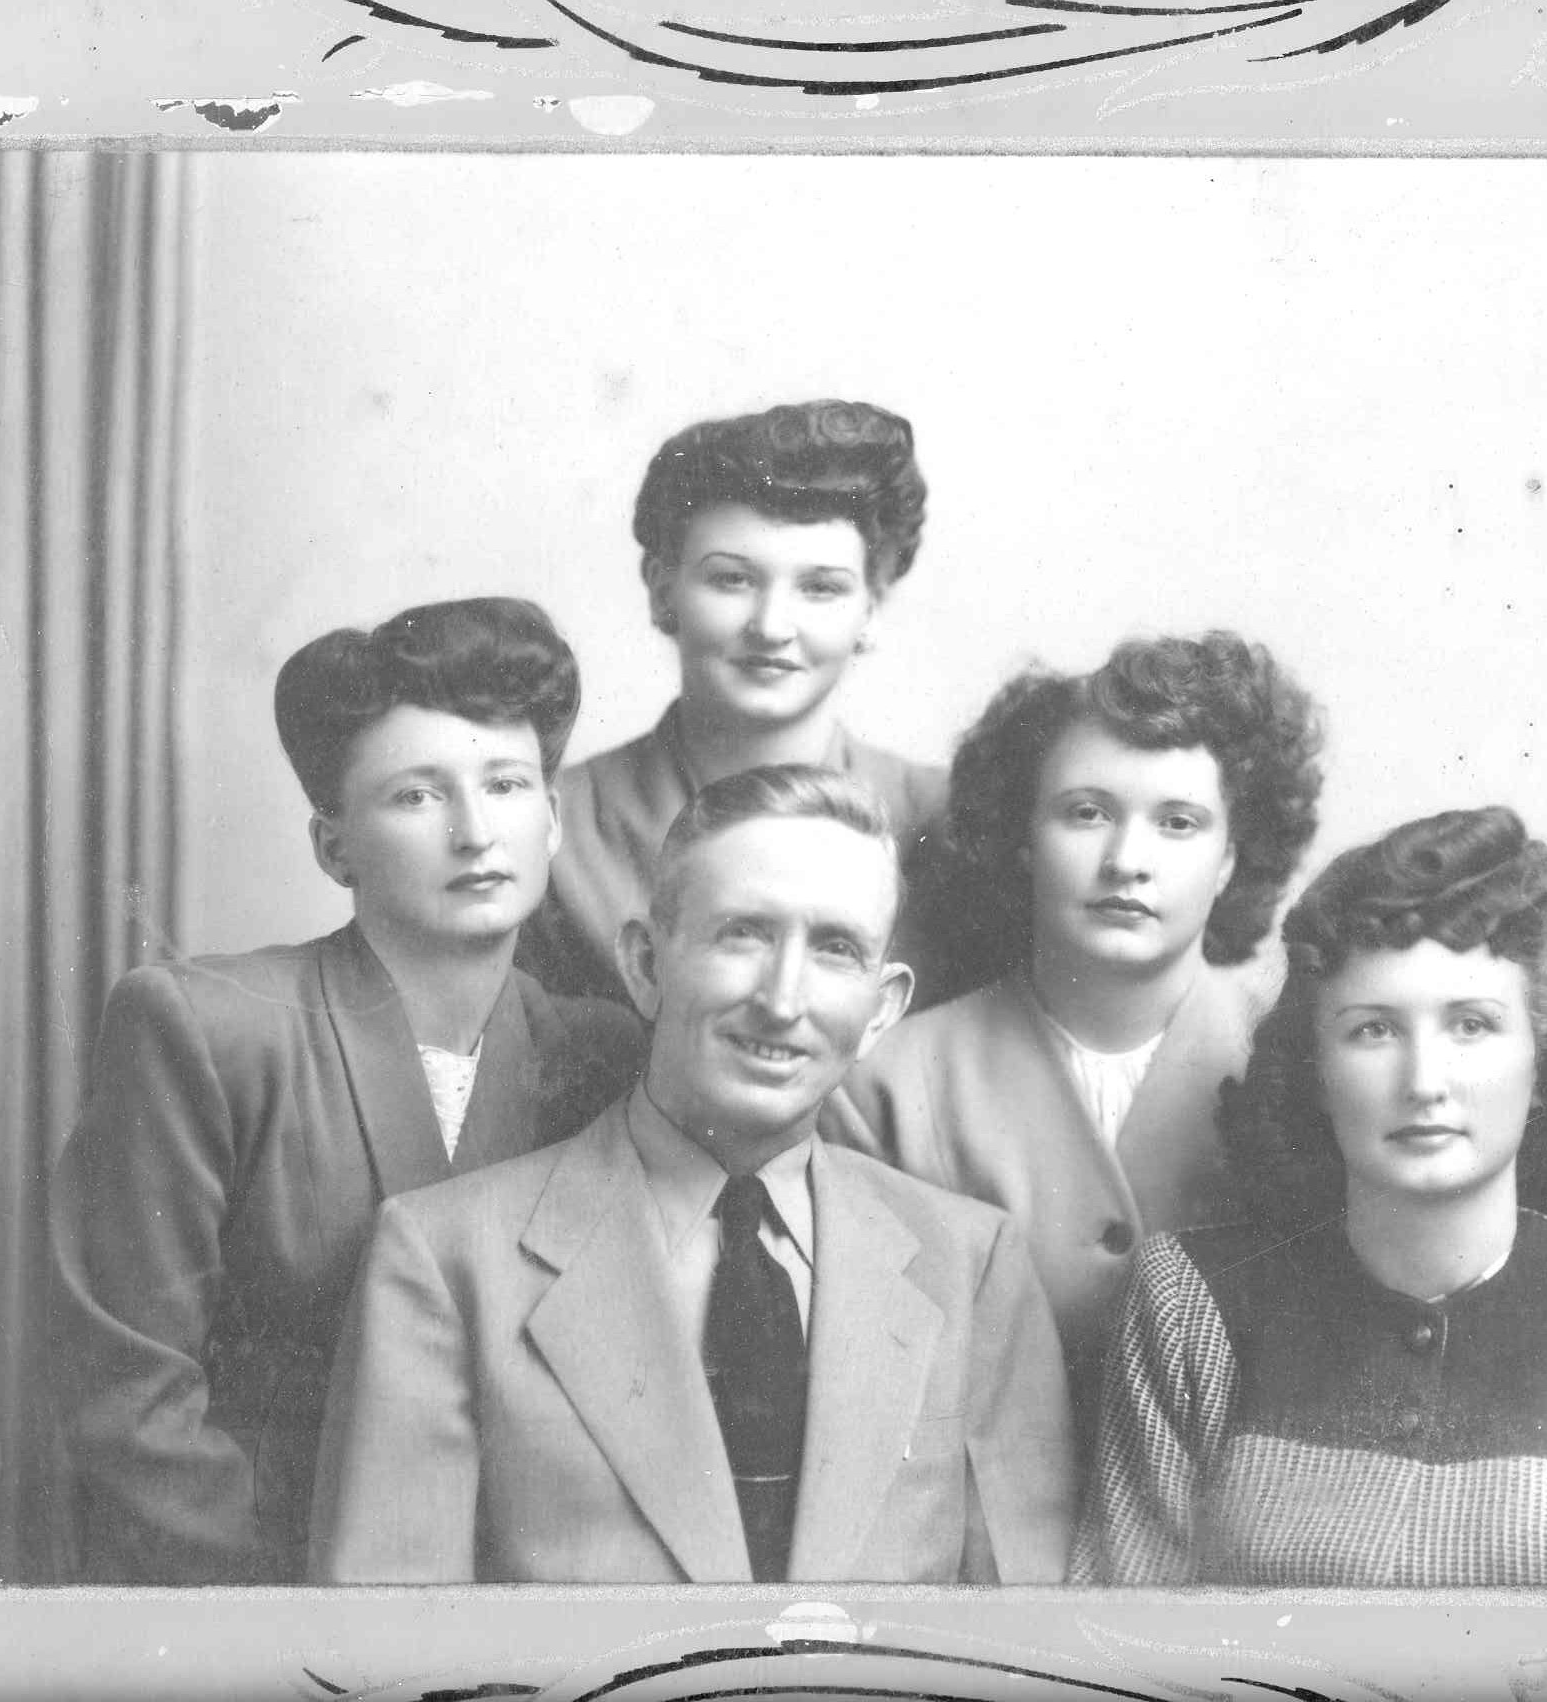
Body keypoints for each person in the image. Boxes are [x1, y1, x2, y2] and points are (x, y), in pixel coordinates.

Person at [309, 766, 1075, 1584]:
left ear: (881, 1010)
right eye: (742, 934)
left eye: (835, 949)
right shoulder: (446, 1259)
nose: (782, 1000)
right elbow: (391, 1644)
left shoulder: (972, 1266)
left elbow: (1028, 1639)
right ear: (645, 965)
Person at [48, 598, 643, 1585]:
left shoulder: (601, 1054)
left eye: (505, 784)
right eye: (415, 796)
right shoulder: (206, 1028)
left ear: (552, 818)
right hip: (274, 1587)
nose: (473, 831)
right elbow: (130, 1405)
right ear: (334, 847)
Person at [1071, 806, 1547, 1588]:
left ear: (1544, 1062)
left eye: (1472, 1026)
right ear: (1315, 1073)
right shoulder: (1187, 1301)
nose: (1425, 1082)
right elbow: (1114, 1635)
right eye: (1374, 1031)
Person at [826, 632, 1324, 1447]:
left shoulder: (1296, 1067)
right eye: (1086, 813)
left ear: (1232, 858)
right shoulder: (885, 1087)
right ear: (1025, 838)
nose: (1127, 860)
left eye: (1178, 823)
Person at [517, 398, 949, 1007]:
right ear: (662, 592)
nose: (771, 626)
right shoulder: (557, 830)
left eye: (820, 588)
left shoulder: (944, 824)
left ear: (871, 611)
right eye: (732, 579)